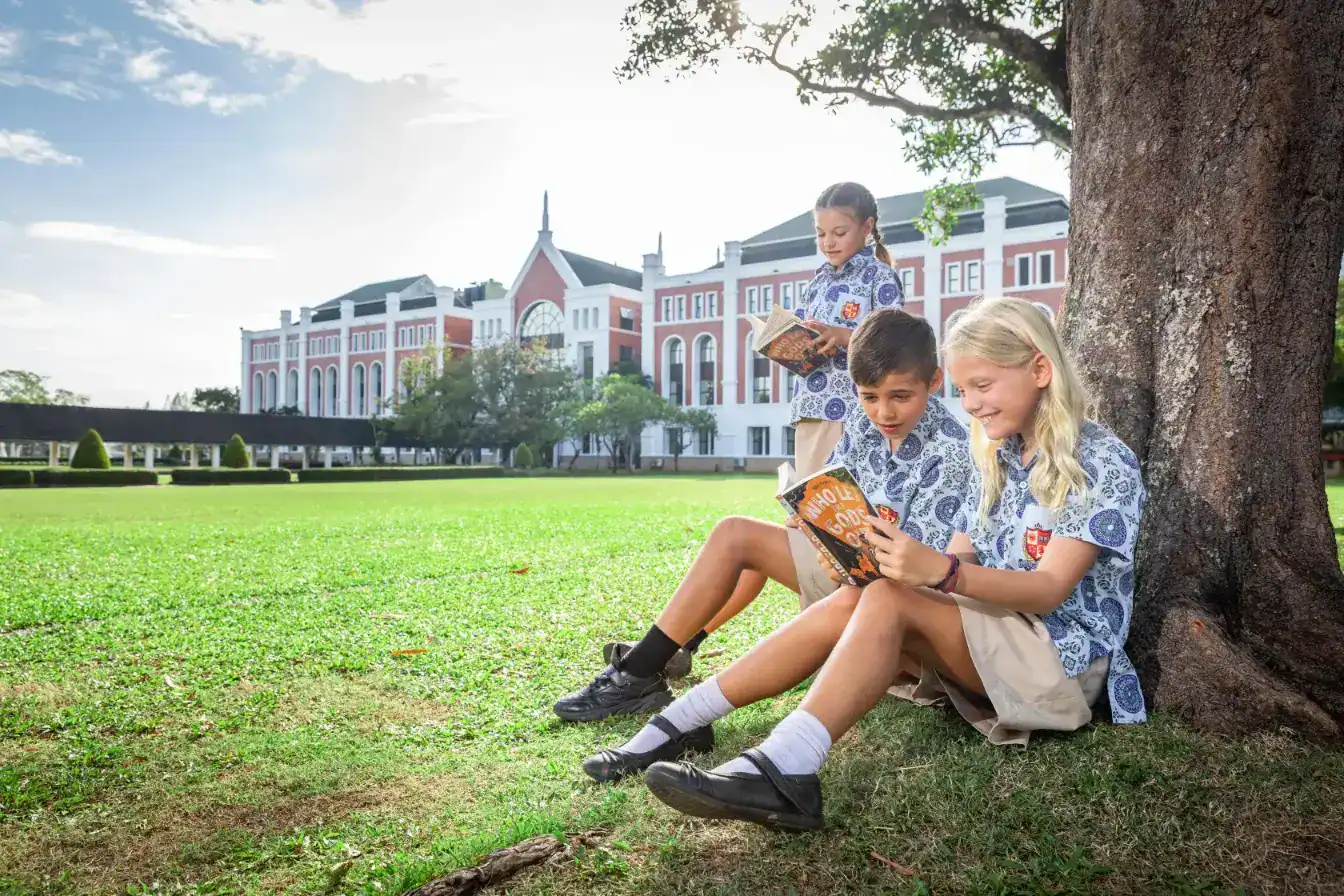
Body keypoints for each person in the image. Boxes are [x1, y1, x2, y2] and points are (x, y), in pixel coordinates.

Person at [632, 297, 1147, 832]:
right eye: (965, 390)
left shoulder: (1099, 460)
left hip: (1059, 659)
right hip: (989, 629)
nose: (970, 403)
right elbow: (965, 552)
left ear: (1040, 368)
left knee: (883, 596)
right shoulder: (997, 453)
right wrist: (910, 563)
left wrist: (940, 573)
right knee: (863, 593)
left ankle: (783, 767)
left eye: (983, 386)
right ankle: (675, 724)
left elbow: (1049, 589)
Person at [558, 310, 973, 773]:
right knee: (735, 532)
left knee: (865, 593)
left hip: (892, 599)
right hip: (848, 571)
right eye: (869, 397)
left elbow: (926, 575)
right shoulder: (863, 422)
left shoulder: (953, 452)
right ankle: (640, 672)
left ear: (934, 382)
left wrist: (849, 557)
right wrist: (816, 527)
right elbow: (833, 489)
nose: (883, 412)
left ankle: (691, 713)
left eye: (900, 397)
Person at [602, 181, 906, 679]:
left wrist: (844, 337)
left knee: (814, 537)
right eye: (821, 233)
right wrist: (791, 346)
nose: (829, 242)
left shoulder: (880, 276)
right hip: (811, 415)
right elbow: (813, 352)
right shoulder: (816, 280)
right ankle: (682, 644)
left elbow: (896, 347)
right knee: (793, 534)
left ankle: (823, 639)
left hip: (851, 419)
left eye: (840, 231)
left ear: (867, 228)